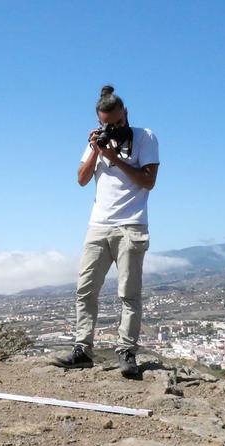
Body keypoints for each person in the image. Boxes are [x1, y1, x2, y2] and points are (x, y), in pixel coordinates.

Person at [52, 85, 160, 377]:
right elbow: (82, 179)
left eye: (117, 122)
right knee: (85, 290)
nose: (112, 128)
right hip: (98, 226)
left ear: (126, 113)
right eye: (106, 124)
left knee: (129, 294)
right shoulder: (97, 141)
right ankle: (82, 350)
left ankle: (126, 351)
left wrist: (115, 158)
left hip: (131, 224)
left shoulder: (145, 137)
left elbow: (148, 181)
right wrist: (96, 151)